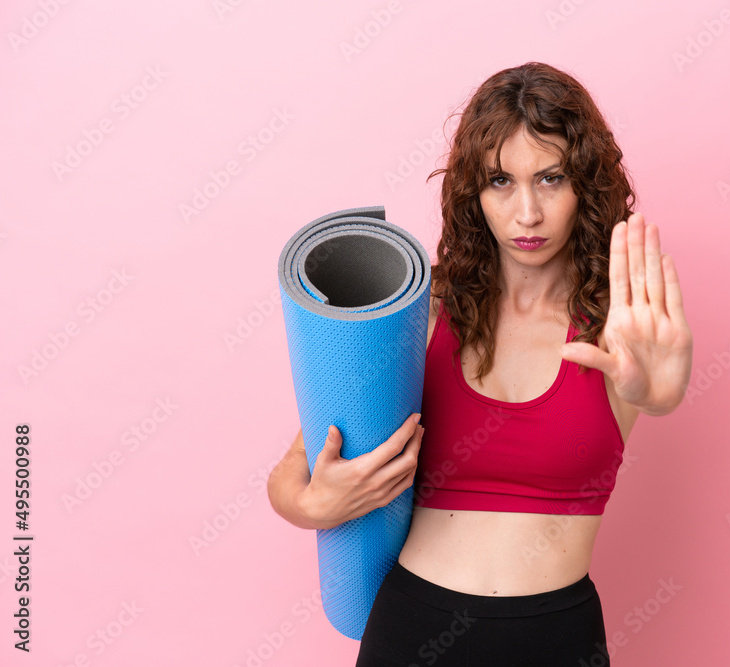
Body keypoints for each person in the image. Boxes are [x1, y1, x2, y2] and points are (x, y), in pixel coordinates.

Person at [267, 62, 693, 666]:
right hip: (411, 630)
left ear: (585, 185)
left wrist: (660, 393)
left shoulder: (621, 325)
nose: (527, 213)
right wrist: (313, 505)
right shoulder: (425, 314)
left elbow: (656, 390)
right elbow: (296, 469)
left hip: (556, 639)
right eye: (500, 181)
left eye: (550, 178)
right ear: (473, 190)